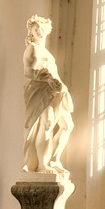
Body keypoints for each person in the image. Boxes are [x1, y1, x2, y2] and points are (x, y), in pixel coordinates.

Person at [23, 15, 75, 175]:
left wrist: (61, 86)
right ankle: (42, 165)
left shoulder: (44, 50)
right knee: (47, 124)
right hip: (41, 90)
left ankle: (53, 159)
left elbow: (52, 71)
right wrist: (48, 79)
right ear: (31, 31)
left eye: (41, 27)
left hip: (55, 90)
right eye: (35, 28)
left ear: (47, 30)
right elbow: (29, 72)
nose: (39, 30)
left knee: (67, 125)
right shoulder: (32, 48)